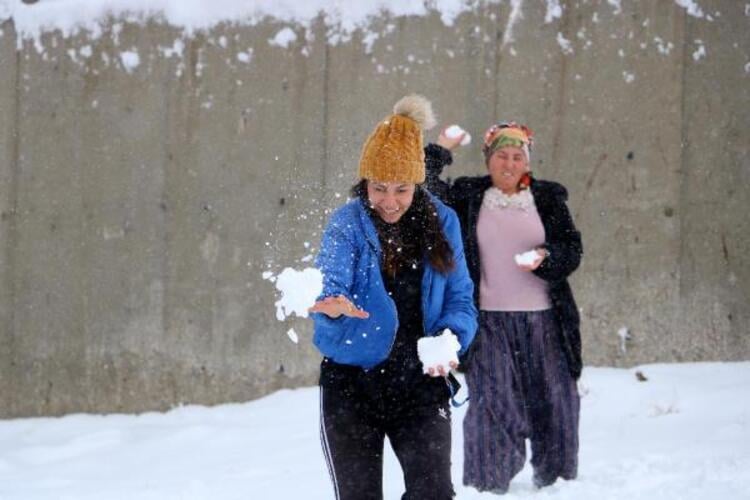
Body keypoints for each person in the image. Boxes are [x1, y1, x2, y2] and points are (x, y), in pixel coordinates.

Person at [309, 95, 478, 500]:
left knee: (434, 493)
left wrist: (452, 338)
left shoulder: (444, 221)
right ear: (365, 181)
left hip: (420, 385)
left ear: (417, 182)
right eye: (378, 187)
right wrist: (332, 308)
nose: (389, 201)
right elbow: (329, 283)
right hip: (352, 386)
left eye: (401, 189)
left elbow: (461, 299)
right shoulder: (346, 224)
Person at [424, 122, 583, 493]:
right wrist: (439, 150)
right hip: (488, 322)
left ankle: (558, 485)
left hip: (546, 321)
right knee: (493, 403)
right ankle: (487, 485)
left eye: (517, 156)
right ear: (488, 159)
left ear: (527, 160)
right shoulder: (467, 196)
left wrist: (546, 256)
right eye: (501, 155)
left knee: (555, 401)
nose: (509, 163)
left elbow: (571, 249)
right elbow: (424, 188)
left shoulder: (547, 199)